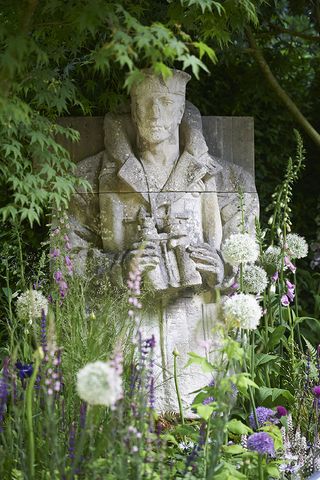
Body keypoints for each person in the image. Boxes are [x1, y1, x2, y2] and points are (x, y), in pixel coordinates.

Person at [68, 69, 259, 412]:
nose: (155, 113)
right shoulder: (90, 178)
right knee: (129, 435)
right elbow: (65, 258)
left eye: (166, 102)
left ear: (181, 108)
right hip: (125, 334)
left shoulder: (228, 180)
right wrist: (120, 267)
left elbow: (251, 263)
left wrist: (222, 267)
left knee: (200, 437)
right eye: (145, 103)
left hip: (198, 338)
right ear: (132, 107)